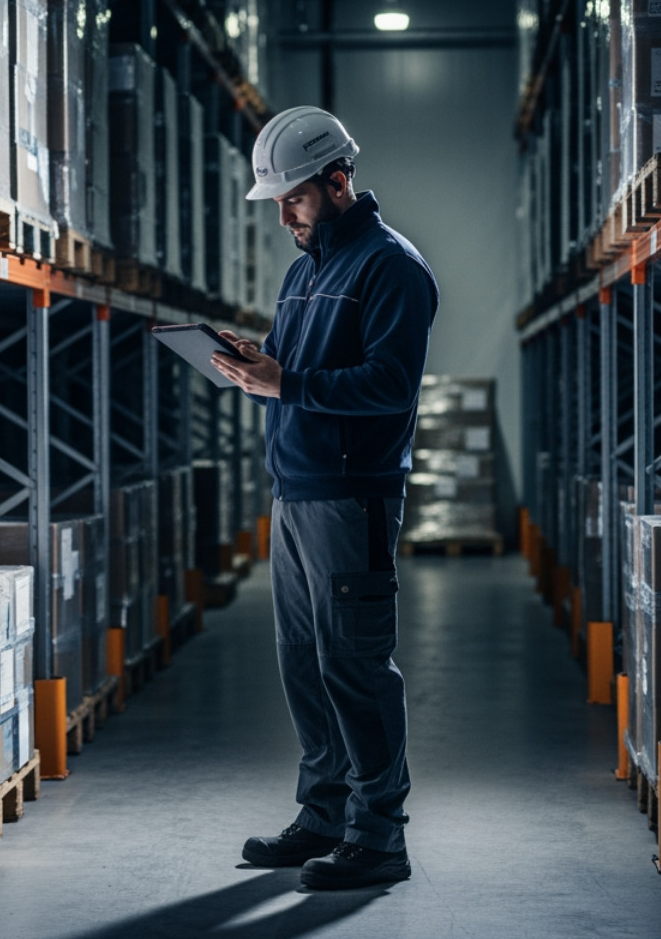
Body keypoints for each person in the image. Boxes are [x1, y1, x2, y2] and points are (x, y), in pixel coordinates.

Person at [209, 106, 440, 890]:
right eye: (274, 201)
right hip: (297, 490)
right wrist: (261, 361)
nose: (283, 215)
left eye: (293, 198)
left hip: (353, 496)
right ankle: (323, 815)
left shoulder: (392, 266)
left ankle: (378, 837)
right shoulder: (306, 268)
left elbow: (391, 386)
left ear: (338, 181)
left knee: (355, 667)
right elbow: (299, 369)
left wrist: (289, 381)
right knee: (304, 666)